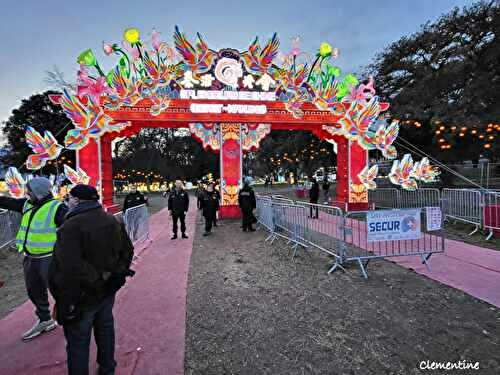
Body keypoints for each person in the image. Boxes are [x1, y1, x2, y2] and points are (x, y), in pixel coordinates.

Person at [49, 184, 134, 375]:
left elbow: (70, 265)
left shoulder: (70, 226)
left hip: (82, 294)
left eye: (69, 198)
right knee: (105, 330)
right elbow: (127, 251)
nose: (67, 202)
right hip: (106, 289)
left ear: (77, 200)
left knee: (78, 341)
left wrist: (97, 281)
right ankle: (107, 368)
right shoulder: (111, 220)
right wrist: (113, 277)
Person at [0, 177, 67, 340]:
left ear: (38, 192)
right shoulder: (27, 204)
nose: (26, 193)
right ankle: (45, 319)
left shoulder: (58, 208)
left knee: (60, 291)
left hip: (50, 258)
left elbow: (71, 230)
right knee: (34, 290)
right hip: (30, 257)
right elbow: (6, 202)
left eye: (29, 190)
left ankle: (72, 320)